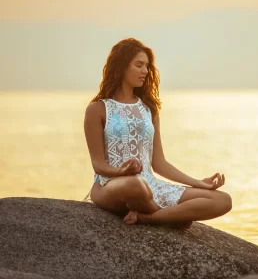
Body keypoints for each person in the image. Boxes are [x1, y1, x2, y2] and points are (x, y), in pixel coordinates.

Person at [82, 38, 232, 225]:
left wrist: (198, 183)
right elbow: (98, 165)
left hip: (149, 186)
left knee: (222, 200)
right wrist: (120, 171)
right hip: (109, 185)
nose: (145, 71)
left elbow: (159, 164)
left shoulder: (149, 109)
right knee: (135, 184)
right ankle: (171, 217)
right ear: (121, 67)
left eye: (147, 66)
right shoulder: (97, 109)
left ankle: (149, 217)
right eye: (139, 65)